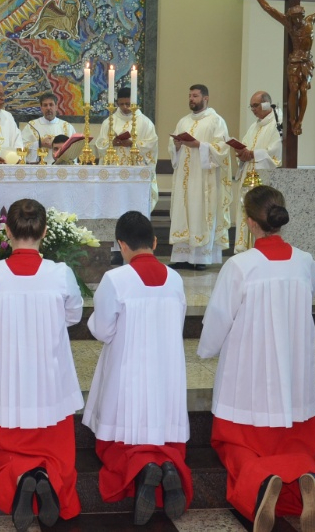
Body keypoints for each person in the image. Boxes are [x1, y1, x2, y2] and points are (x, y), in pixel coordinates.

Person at [199, 186, 315, 532]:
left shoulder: (240, 265)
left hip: (248, 376)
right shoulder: (305, 262)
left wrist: (206, 350)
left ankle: (264, 481)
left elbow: (219, 318)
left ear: (249, 223)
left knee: (235, 443)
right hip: (292, 379)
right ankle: (307, 474)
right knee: (295, 442)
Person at [0, 199, 84, 532]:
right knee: (56, 449)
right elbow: (73, 316)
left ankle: (20, 476)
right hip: (51, 386)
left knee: (2, 449)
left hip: (6, 385)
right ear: (45, 232)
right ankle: (46, 475)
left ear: (6, 232)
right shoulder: (61, 274)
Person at [83, 211, 191, 525]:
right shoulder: (175, 279)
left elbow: (102, 330)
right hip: (166, 376)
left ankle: (145, 470)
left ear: (121, 244)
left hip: (126, 377)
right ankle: (166, 465)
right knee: (165, 437)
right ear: (155, 242)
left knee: (113, 444)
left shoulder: (116, 279)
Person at [249, 0, 315, 135]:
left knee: (303, 90)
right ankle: (293, 119)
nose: (297, 20)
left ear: (303, 15)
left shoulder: (310, 21)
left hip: (307, 62)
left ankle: (300, 120)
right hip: (294, 62)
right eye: (294, 18)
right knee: (293, 90)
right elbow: (269, 9)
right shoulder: (289, 25)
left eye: (300, 17)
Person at [168, 84, 232, 270]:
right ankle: (181, 256)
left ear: (206, 98)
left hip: (204, 179)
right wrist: (177, 145)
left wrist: (199, 145)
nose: (191, 99)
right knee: (183, 212)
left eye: (195, 96)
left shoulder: (216, 121)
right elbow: (173, 149)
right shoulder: (183, 121)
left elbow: (222, 148)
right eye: (189, 95)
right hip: (184, 178)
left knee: (200, 212)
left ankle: (201, 258)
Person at [233, 91, 283, 253]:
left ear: (267, 104)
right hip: (249, 175)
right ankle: (245, 248)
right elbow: (245, 146)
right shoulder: (254, 126)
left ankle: (261, 247)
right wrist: (241, 154)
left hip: (263, 178)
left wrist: (253, 153)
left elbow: (276, 152)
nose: (253, 109)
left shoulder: (278, 122)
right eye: (251, 106)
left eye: (255, 105)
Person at [94, 87, 159, 208]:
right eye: (121, 104)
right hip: (114, 172)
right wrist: (112, 143)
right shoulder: (108, 122)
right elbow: (100, 144)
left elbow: (152, 144)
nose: (125, 107)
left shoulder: (145, 122)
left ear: (134, 103)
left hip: (136, 173)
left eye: (128, 104)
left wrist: (133, 144)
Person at [21, 93, 75, 163]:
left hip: (62, 168)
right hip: (38, 168)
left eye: (51, 104)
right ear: (41, 108)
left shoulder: (67, 127)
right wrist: (40, 143)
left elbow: (74, 150)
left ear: (56, 107)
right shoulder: (31, 126)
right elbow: (21, 148)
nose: (48, 108)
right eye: (45, 105)